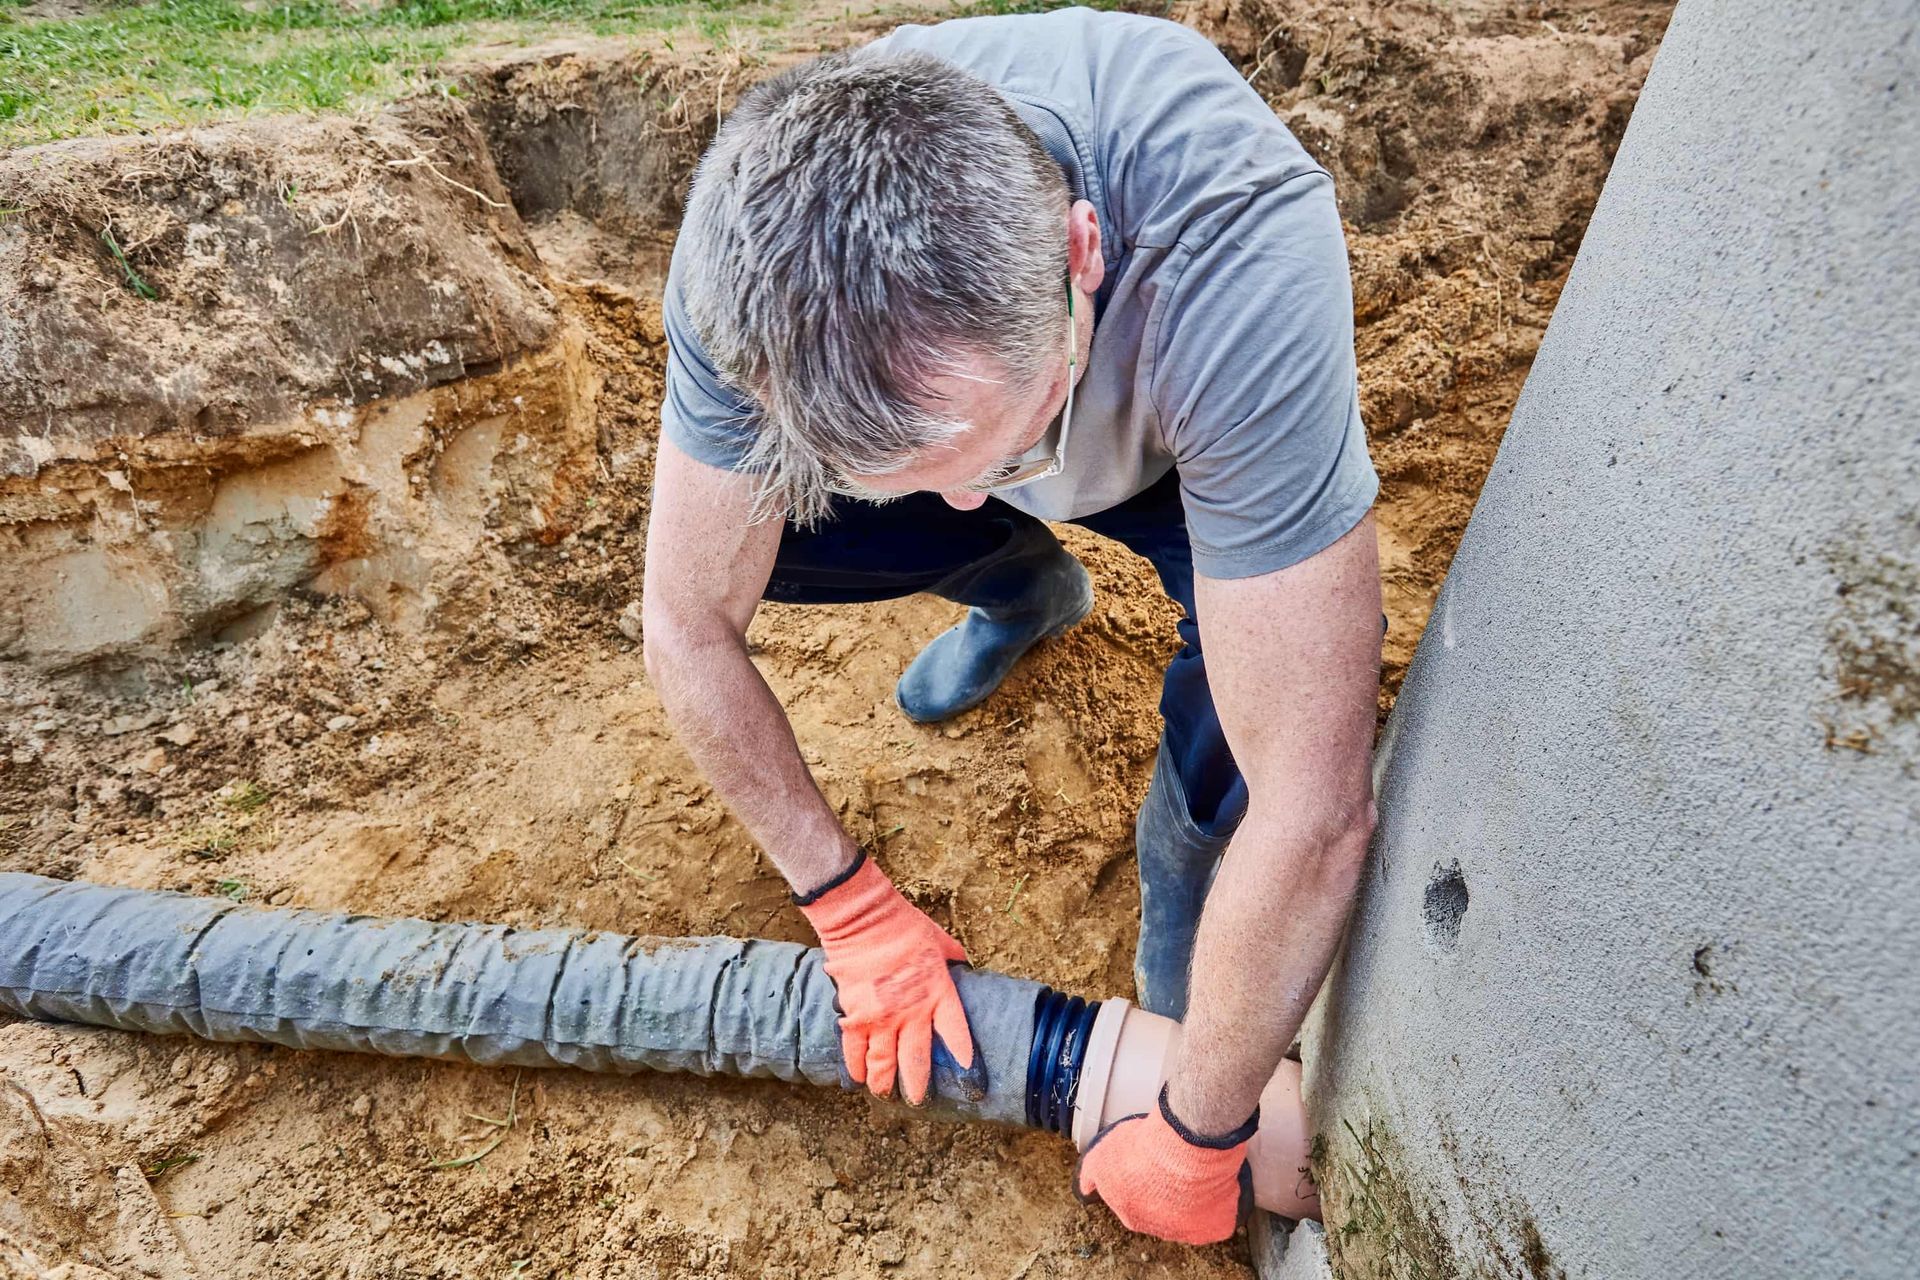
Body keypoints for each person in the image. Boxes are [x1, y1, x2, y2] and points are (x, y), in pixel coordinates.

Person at [641, 7, 1381, 1246]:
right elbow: (683, 621)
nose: (976, 495)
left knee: (1244, 748)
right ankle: (1023, 586)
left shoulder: (1234, 260)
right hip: (991, 405)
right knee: (775, 536)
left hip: (1173, 449)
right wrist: (847, 903)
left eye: (1016, 443)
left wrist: (1200, 1126)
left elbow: (1320, 807)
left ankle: (1185, 886)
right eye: (921, 476)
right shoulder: (752, 270)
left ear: (1082, 247)